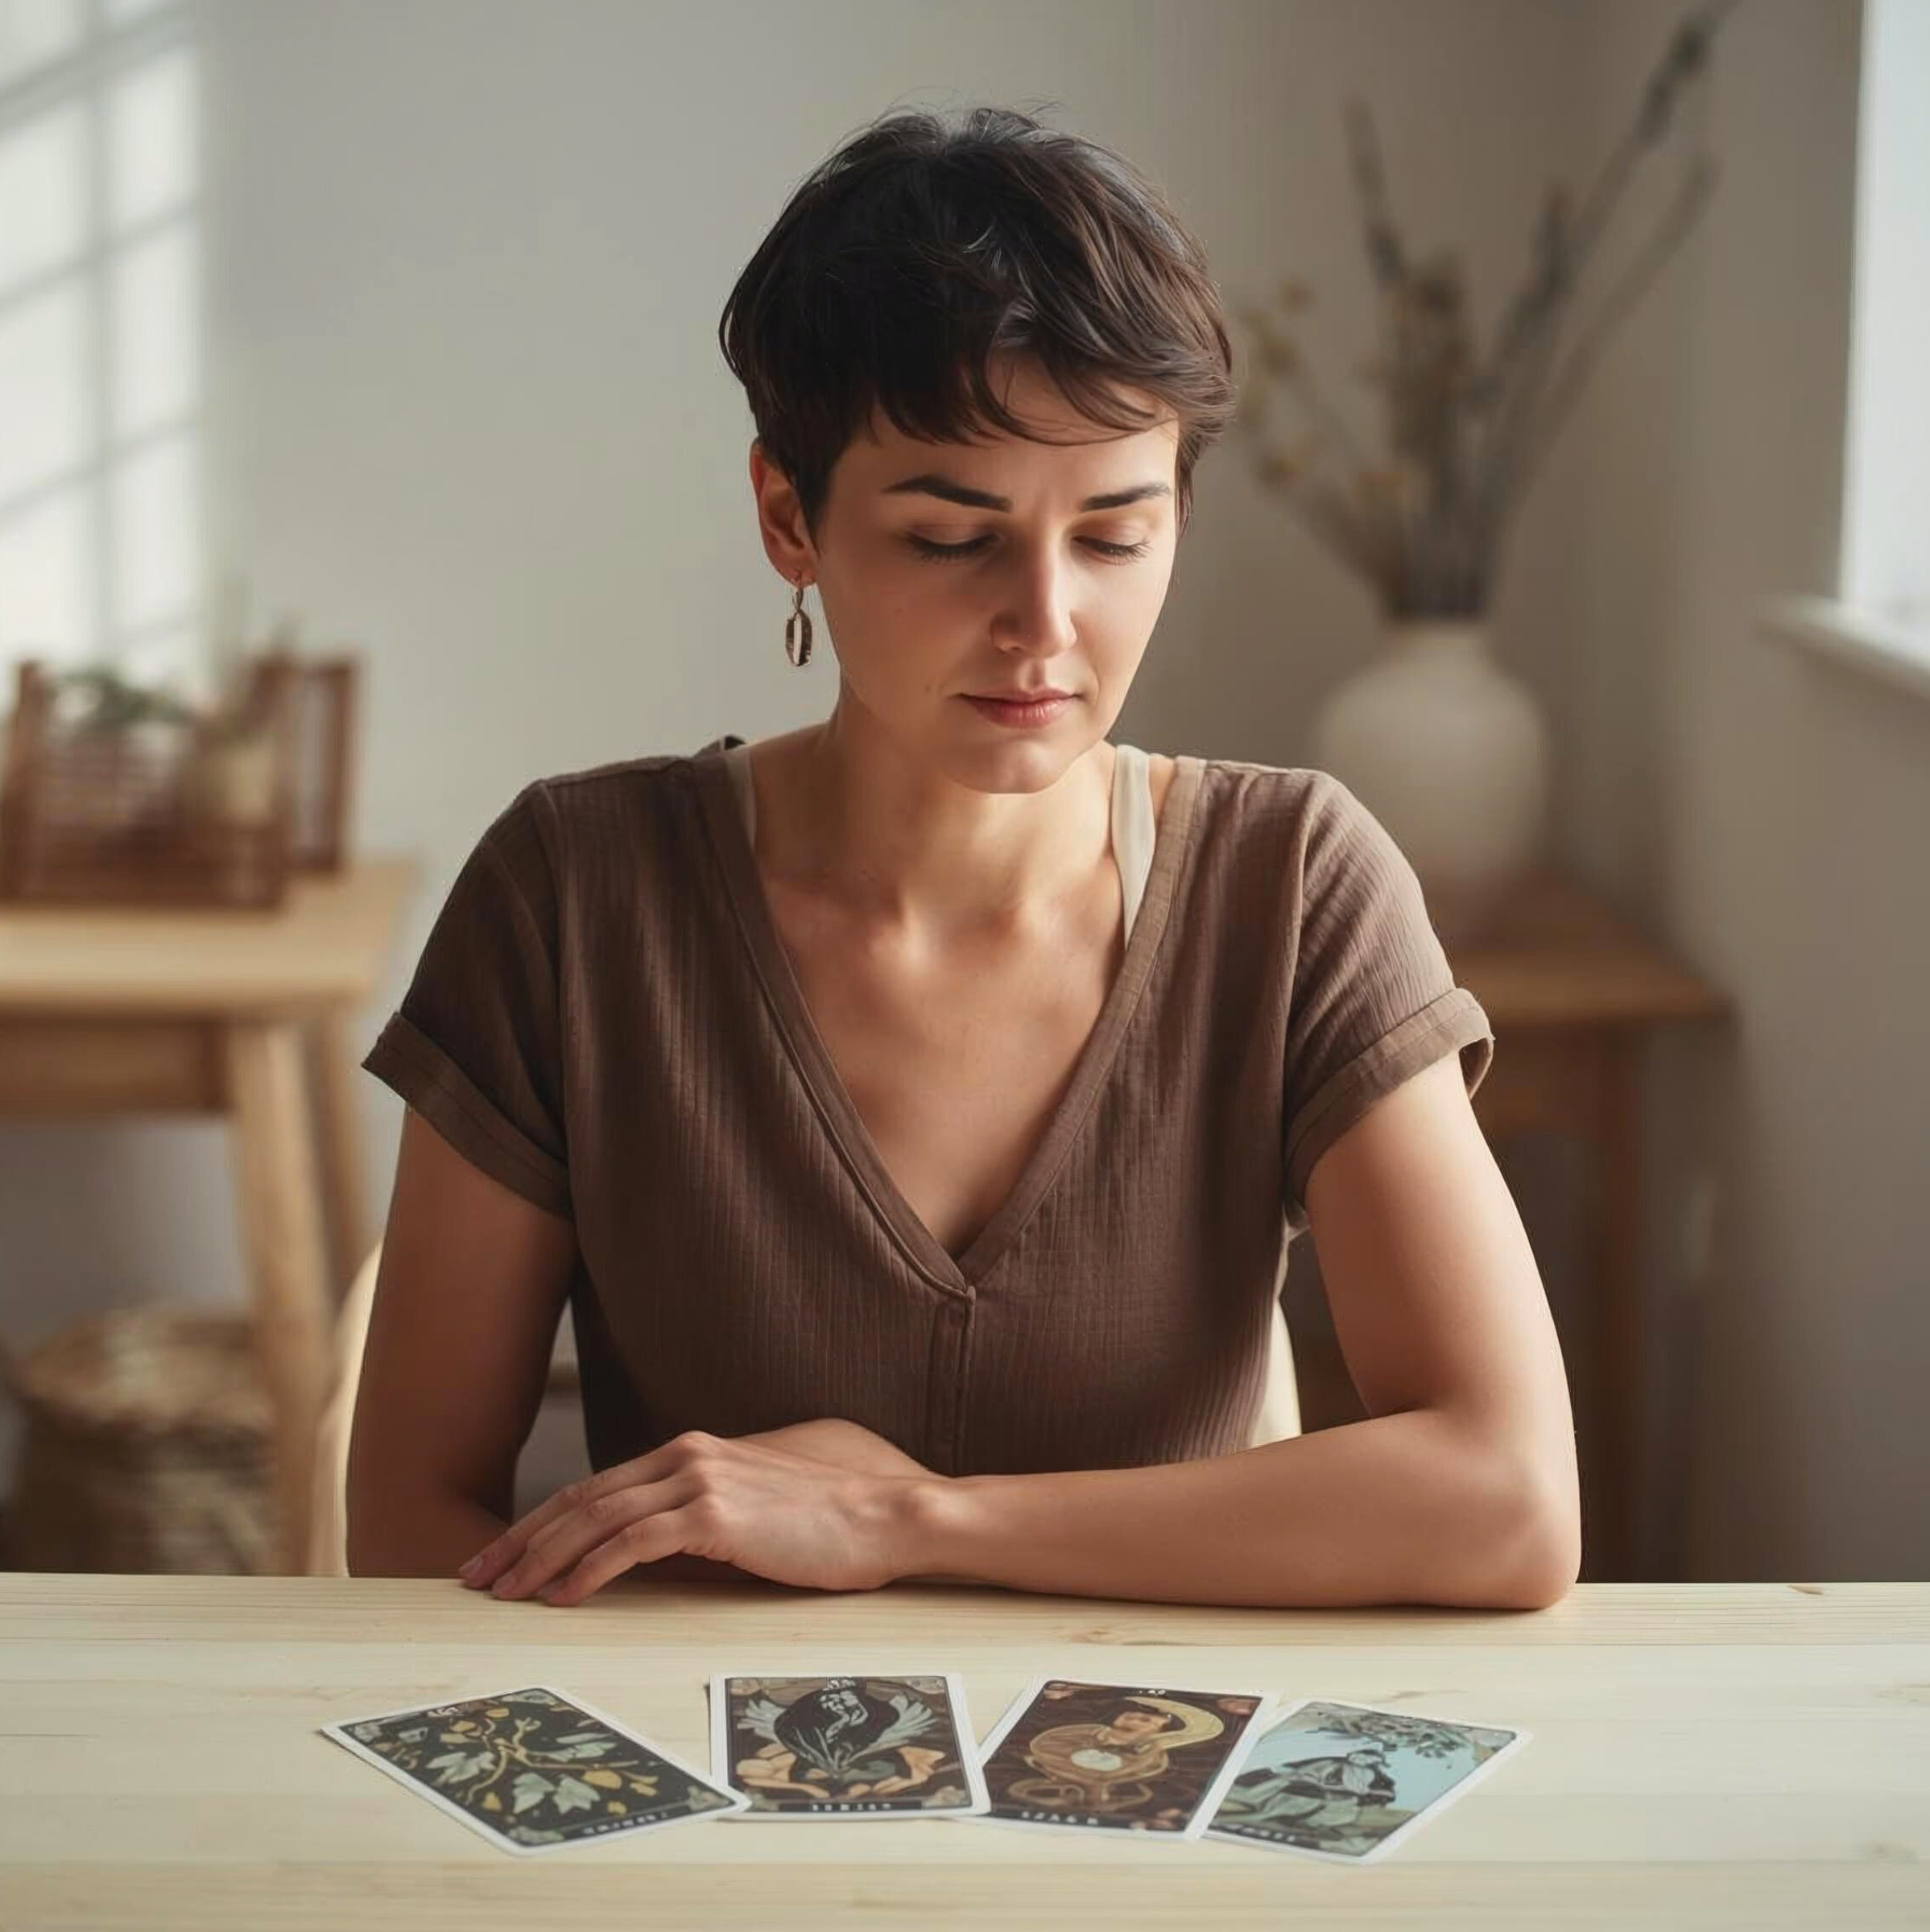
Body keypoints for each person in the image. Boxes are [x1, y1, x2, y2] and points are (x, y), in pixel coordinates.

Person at [346, 105, 1580, 1612]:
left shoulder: (1295, 884)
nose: (1046, 621)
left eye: (1115, 537)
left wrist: (914, 1521)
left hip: (1169, 1789)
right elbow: (409, 1519)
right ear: (788, 517)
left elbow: (1508, 1503)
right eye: (952, 537)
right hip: (715, 1803)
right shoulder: (574, 896)